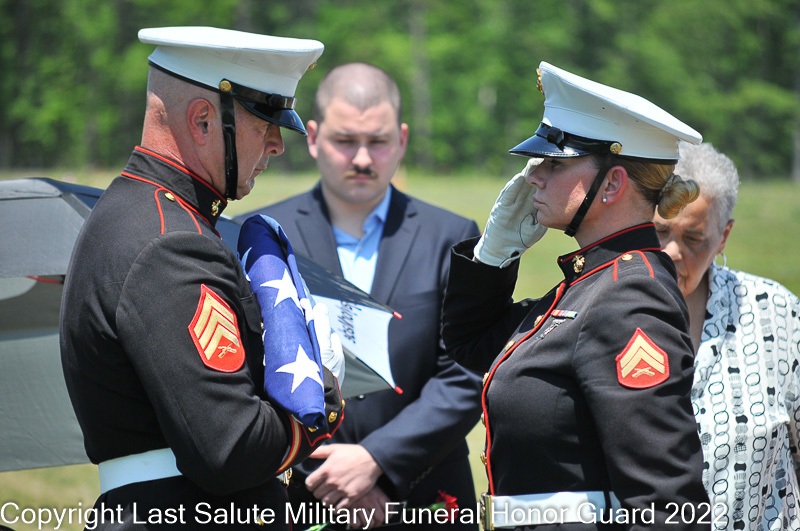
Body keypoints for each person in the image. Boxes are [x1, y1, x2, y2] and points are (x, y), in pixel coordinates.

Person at [60, 26, 344, 530]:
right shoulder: (171, 242)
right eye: (264, 121)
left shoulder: (146, 214)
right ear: (203, 120)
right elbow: (231, 448)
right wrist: (319, 391)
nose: (277, 144)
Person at [441, 61, 711, 530]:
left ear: (613, 183)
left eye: (555, 163)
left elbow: (666, 504)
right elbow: (470, 341)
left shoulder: (631, 296)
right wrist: (493, 252)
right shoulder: (594, 282)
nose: (534, 176)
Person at [237, 62, 484, 529]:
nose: (364, 158)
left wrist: (378, 461)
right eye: (345, 141)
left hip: (426, 496)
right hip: (303, 495)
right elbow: (246, 375)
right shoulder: (262, 237)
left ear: (403, 139)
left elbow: (467, 373)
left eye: (379, 141)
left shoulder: (453, 237)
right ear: (313, 137)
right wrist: (328, 474)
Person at [655, 141, 800, 530]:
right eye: (659, 231)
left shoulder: (777, 314)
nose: (671, 252)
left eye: (693, 238)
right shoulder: (607, 311)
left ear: (722, 237)